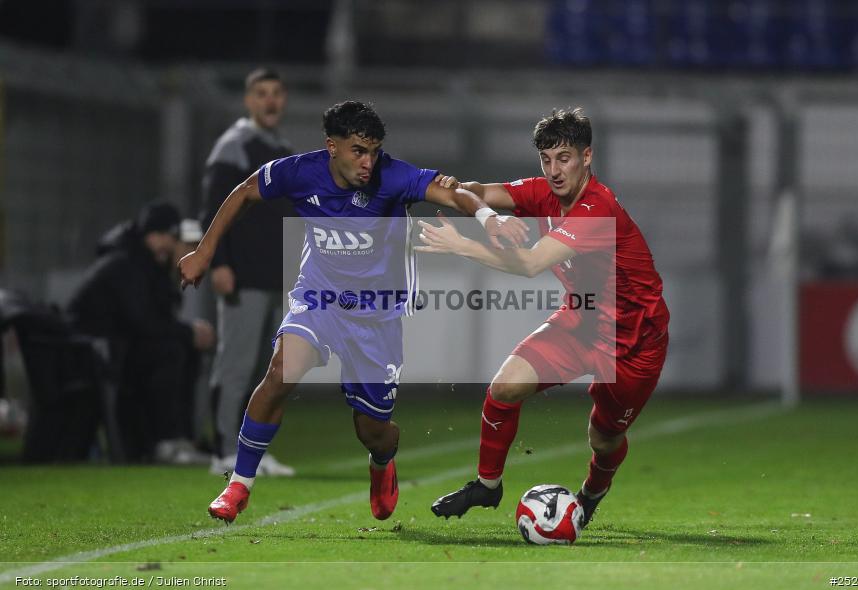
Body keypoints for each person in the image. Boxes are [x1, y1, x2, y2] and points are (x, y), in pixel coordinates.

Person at [178, 100, 527, 523]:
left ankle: (382, 464)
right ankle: (239, 484)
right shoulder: (299, 171)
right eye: (358, 150)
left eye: (374, 151)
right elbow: (245, 191)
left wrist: (489, 219)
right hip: (319, 298)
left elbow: (452, 193)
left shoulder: (392, 176)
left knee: (374, 431)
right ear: (332, 146)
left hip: (376, 316)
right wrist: (204, 251)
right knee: (281, 370)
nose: (368, 161)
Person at [416, 108, 669, 529]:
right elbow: (481, 190)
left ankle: (591, 493)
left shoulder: (596, 208)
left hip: (633, 341)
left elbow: (532, 264)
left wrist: (461, 245)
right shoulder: (542, 191)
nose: (554, 170)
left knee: (604, 438)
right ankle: (487, 485)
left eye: (564, 158)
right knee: (504, 387)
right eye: (546, 159)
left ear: (587, 157)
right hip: (582, 317)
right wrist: (451, 188)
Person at [200, 68, 296, 477]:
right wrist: (219, 262)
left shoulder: (280, 147)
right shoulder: (234, 147)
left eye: (276, 93)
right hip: (243, 276)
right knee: (236, 366)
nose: (270, 101)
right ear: (249, 101)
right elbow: (212, 211)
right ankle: (223, 449)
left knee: (267, 372)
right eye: (262, 94)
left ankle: (252, 450)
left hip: (275, 276)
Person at [68, 202, 216, 463]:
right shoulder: (124, 264)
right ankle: (167, 441)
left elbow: (153, 320)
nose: (170, 245)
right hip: (95, 354)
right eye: (167, 237)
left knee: (181, 347)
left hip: (116, 349)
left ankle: (183, 438)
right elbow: (142, 322)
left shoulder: (146, 265)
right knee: (170, 350)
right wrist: (187, 331)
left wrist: (186, 333)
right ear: (152, 235)